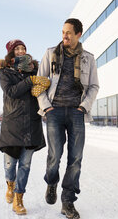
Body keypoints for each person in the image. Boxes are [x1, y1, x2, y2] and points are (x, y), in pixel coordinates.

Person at [37, 18, 99, 219]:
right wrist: (46, 108)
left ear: (79, 34)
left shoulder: (88, 58)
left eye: (69, 32)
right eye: (63, 32)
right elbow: (39, 83)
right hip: (54, 111)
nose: (64, 35)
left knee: (76, 159)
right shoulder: (50, 54)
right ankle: (52, 182)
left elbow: (93, 86)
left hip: (76, 112)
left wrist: (84, 106)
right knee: (54, 156)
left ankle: (68, 201)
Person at [0, 39, 50, 215]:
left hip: (31, 123)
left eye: (23, 48)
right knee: (10, 164)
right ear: (11, 52)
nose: (21, 51)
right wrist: (29, 82)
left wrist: (41, 84)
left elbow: (40, 88)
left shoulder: (34, 69)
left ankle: (19, 198)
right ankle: (10, 184)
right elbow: (11, 91)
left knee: (25, 165)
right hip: (12, 124)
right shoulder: (5, 72)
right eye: (17, 49)